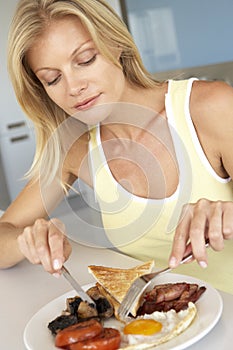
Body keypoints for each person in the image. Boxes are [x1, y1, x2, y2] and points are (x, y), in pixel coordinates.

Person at [0, 0, 233, 293]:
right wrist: (28, 240)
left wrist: (228, 213)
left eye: (85, 60)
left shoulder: (210, 107)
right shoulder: (76, 148)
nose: (73, 87)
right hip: (162, 324)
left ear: (116, 44)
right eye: (53, 78)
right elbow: (2, 236)